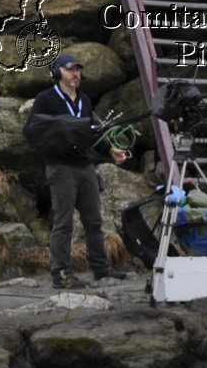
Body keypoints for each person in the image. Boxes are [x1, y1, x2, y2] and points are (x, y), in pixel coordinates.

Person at [22, 54, 130, 290]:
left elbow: (92, 133)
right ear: (56, 72)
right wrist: (60, 128)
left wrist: (110, 150)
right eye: (70, 69)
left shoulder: (84, 100)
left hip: (85, 167)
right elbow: (31, 131)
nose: (76, 74)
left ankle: (102, 272)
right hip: (61, 168)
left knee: (94, 222)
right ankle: (61, 274)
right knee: (63, 223)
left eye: (78, 70)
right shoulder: (46, 99)